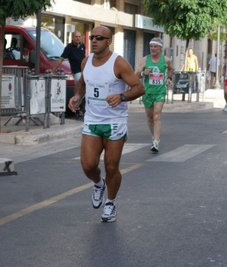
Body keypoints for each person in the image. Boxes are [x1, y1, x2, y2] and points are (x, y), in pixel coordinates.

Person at [68, 26, 145, 223]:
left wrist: (121, 96)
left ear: (109, 41)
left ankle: (110, 202)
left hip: (114, 122)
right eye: (92, 37)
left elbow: (139, 88)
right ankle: (98, 183)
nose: (94, 40)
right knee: (88, 166)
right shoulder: (86, 62)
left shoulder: (118, 63)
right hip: (92, 120)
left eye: (99, 38)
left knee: (111, 167)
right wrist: (77, 96)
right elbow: (83, 83)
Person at [136, 37, 174, 153]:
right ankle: (154, 136)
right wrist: (143, 73)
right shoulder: (144, 60)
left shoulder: (166, 60)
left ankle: (156, 141)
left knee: (156, 115)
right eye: (151, 46)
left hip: (160, 92)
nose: (153, 49)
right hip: (147, 92)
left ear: (160, 48)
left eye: (155, 46)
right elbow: (136, 75)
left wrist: (168, 78)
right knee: (150, 117)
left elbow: (171, 69)